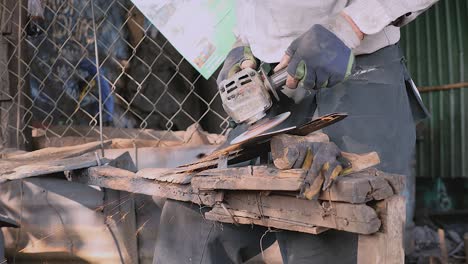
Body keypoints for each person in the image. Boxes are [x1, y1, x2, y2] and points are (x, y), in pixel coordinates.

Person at [153, 1, 438, 263]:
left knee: (318, 232)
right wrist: (243, 43)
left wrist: (352, 24)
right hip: (273, 86)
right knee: (189, 219)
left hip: (355, 72)